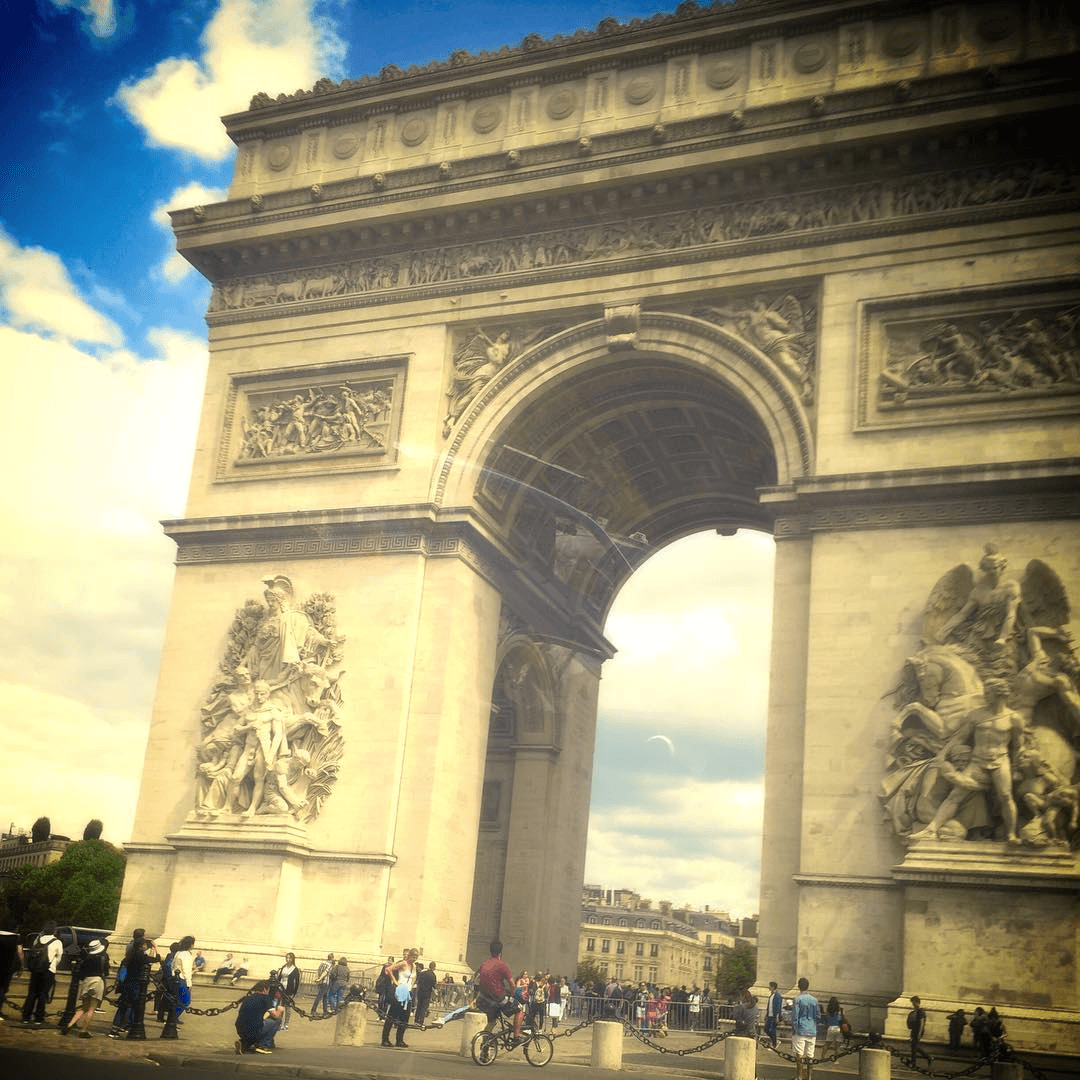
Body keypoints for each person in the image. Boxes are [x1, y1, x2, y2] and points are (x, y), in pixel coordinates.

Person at [60, 939, 109, 1038]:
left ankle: (69, 1026)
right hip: (97, 981)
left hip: (87, 981)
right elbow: (106, 972)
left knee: (83, 1007)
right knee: (92, 1008)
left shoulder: (87, 957)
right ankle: (83, 1030)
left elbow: (82, 972)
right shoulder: (104, 956)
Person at [20, 920, 64, 1026]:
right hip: (48, 970)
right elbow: (59, 958)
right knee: (43, 995)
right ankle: (38, 1018)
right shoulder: (57, 942)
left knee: (32, 994)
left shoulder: (38, 939)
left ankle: (26, 1016)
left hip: (36, 970)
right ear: (54, 930)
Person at [475, 940, 521, 1038]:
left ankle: (485, 1043)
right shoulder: (502, 965)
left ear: (490, 951)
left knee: (491, 1022)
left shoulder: (484, 964)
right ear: (500, 952)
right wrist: (515, 994)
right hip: (498, 998)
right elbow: (512, 985)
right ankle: (516, 1036)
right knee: (519, 1009)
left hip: (485, 999)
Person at [381, 947, 419, 1048]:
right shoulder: (403, 963)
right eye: (413, 956)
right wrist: (395, 981)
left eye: (416, 957)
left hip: (407, 993)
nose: (414, 959)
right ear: (409, 955)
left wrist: (412, 984)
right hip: (399, 991)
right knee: (392, 1015)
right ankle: (385, 1039)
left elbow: (414, 976)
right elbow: (388, 969)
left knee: (405, 1017)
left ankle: (400, 1040)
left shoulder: (414, 966)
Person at [234, 979, 284, 1054]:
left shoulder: (248, 998)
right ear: (264, 989)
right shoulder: (266, 999)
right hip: (254, 1029)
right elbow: (275, 1016)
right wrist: (280, 1009)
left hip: (240, 1029)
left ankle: (243, 1044)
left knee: (253, 1026)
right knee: (277, 1021)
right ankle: (262, 1045)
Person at [791, 977, 821, 1080]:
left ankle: (799, 1076)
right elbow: (818, 1016)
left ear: (799, 987)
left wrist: (794, 1029)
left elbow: (795, 1017)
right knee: (810, 1056)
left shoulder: (797, 999)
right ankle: (809, 1077)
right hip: (812, 1030)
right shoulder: (814, 1000)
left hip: (800, 1030)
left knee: (799, 1055)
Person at [907, 994, 932, 1068]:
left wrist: (919, 1033)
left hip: (918, 1031)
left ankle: (917, 1061)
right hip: (915, 1030)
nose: (912, 1004)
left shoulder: (921, 1011)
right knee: (914, 1046)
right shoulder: (915, 1011)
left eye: (913, 1002)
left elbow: (921, 1023)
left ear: (916, 1002)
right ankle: (927, 1057)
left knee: (914, 1047)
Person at [276, 952, 300, 1029]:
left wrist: (294, 993)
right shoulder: (283, 967)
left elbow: (296, 982)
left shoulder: (295, 969)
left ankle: (286, 1024)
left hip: (289, 990)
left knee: (288, 1007)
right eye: (287, 958)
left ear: (292, 959)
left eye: (289, 958)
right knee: (280, 1007)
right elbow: (279, 978)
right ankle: (279, 1023)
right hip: (281, 989)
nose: (288, 959)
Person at [414, 960, 438, 1027]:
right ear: (434, 967)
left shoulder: (423, 973)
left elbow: (418, 981)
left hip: (420, 992)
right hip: (427, 993)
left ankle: (416, 1020)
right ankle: (420, 1022)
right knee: (424, 1008)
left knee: (419, 1006)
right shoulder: (433, 975)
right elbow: (434, 985)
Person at [764, 980, 783, 1047]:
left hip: (774, 1016)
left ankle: (774, 1043)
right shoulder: (771, 995)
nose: (768, 987)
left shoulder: (777, 995)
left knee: (773, 1030)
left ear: (773, 987)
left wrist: (777, 1015)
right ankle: (774, 1041)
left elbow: (778, 1006)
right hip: (769, 1015)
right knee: (766, 1029)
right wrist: (766, 1015)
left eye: (770, 986)